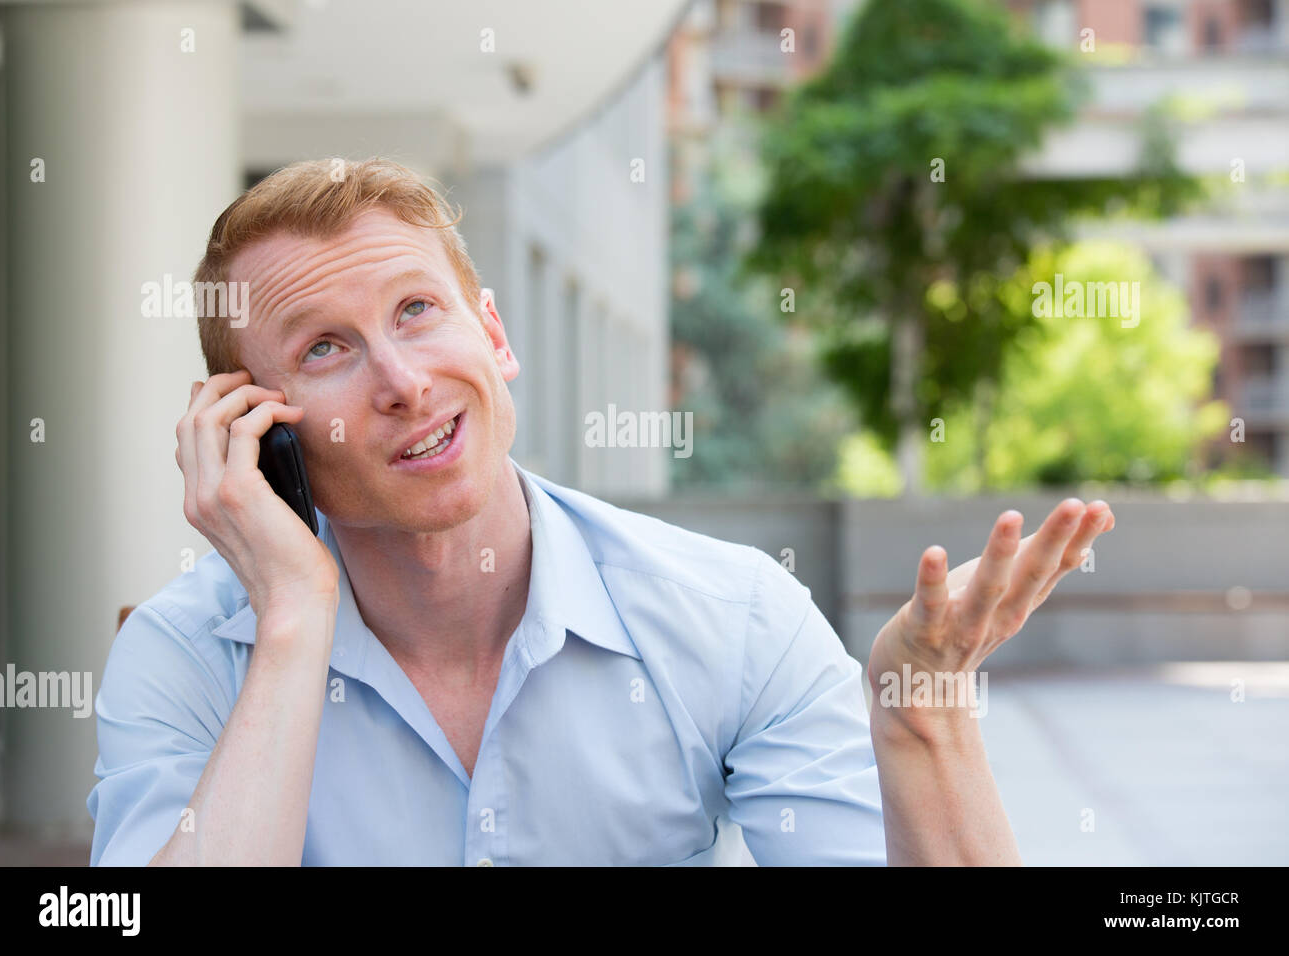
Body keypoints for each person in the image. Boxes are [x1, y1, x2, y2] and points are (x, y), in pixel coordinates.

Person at [87, 157, 1114, 866]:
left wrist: (922, 708)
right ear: (255, 430)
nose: (400, 380)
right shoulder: (185, 658)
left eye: (416, 311)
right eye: (325, 348)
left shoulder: (734, 616)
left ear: (492, 335)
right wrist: (295, 616)